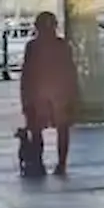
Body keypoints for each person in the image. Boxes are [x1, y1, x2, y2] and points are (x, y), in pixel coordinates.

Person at [20, 11, 79, 177]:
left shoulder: (33, 46)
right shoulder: (62, 45)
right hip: (58, 93)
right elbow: (70, 71)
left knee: (38, 129)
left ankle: (40, 163)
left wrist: (25, 98)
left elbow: (27, 73)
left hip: (40, 93)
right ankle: (60, 164)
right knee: (60, 129)